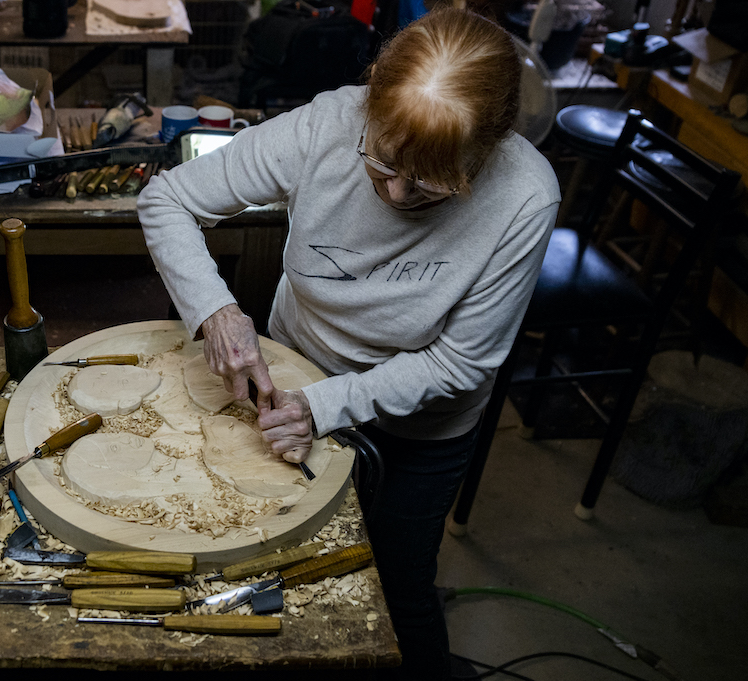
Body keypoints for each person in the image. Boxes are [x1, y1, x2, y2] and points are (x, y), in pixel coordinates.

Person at [138, 7, 560, 679]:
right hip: (288, 378)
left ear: (484, 153)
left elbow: (460, 361)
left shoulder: (525, 197)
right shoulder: (327, 124)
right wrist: (217, 311)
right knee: (268, 559)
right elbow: (167, 201)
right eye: (382, 161)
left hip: (422, 429)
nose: (392, 193)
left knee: (397, 590)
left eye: (425, 184)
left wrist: (324, 406)